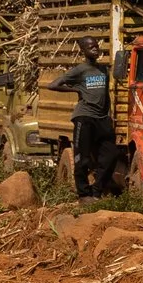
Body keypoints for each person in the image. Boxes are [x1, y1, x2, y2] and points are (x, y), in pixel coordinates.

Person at [49, 38, 118, 199]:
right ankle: (84, 194)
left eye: (96, 46)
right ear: (83, 51)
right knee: (82, 157)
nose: (95, 49)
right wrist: (75, 90)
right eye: (90, 47)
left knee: (111, 155)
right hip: (84, 117)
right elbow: (53, 85)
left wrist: (108, 114)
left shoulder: (103, 70)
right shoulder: (80, 70)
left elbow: (105, 94)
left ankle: (97, 191)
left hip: (102, 118)